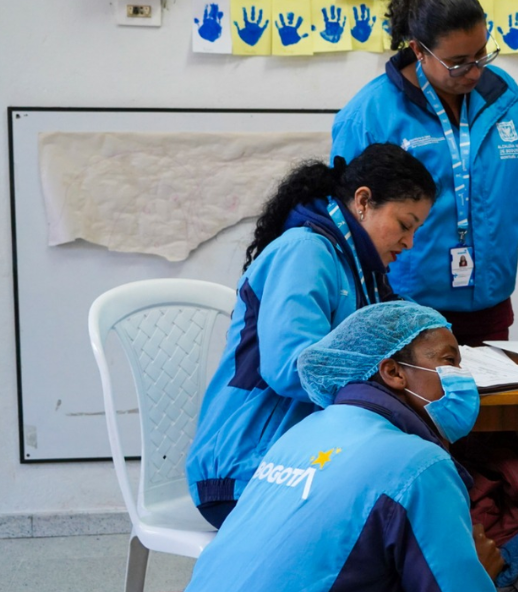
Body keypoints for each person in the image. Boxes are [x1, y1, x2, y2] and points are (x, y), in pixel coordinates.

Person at [186, 145, 437, 529]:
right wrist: (389, 381)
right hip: (247, 469)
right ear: (363, 202)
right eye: (405, 225)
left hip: (305, 457)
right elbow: (292, 367)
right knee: (400, 517)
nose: (409, 243)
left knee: (423, 490)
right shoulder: (305, 251)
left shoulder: (360, 267)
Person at [329, 0, 518, 345]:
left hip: (490, 315)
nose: (475, 71)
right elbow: (345, 226)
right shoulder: (370, 114)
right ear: (419, 51)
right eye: (458, 62)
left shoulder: (504, 97)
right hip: (401, 317)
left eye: (482, 54)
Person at [185, 301, 503, 591]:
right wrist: (480, 572)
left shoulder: (301, 433)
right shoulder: (421, 464)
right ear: (393, 372)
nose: (463, 377)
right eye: (450, 361)